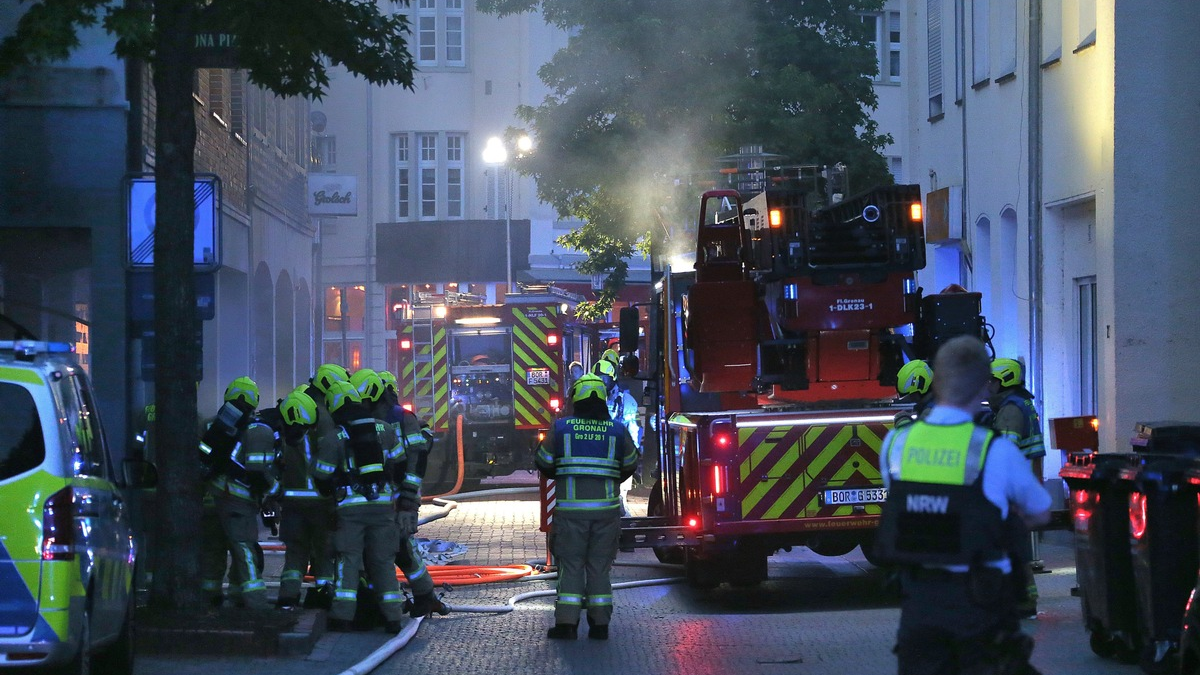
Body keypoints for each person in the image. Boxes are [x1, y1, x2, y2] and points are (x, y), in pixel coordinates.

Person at [874, 336, 1051, 675]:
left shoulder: (896, 443)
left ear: (935, 380)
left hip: (919, 607)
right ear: (985, 386)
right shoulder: (993, 450)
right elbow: (1040, 511)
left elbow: (906, 500)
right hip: (982, 608)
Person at [535, 374, 640, 641]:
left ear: (575, 399)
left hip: (571, 514)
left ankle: (567, 626)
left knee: (570, 566)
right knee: (599, 567)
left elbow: (543, 461)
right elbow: (630, 463)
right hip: (606, 513)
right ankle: (600, 626)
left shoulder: (561, 429)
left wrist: (562, 471)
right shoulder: (616, 430)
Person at [312, 379, 408, 633]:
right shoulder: (385, 429)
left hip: (350, 511)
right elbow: (401, 463)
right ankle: (393, 617)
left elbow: (321, 475)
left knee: (348, 560)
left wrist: (333, 489)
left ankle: (342, 616)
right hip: (383, 507)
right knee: (384, 561)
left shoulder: (333, 437)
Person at [198, 376, 280, 609]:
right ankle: (253, 601)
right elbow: (257, 473)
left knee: (213, 550)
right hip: (237, 502)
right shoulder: (255, 430)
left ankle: (210, 598)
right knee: (244, 550)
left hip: (211, 498)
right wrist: (275, 490)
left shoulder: (211, 425)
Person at [375, 370, 450, 618]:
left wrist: (407, 495)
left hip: (394, 497)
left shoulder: (394, 418)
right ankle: (423, 595)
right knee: (402, 547)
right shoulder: (402, 417)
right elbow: (420, 448)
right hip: (397, 496)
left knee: (397, 549)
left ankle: (416, 597)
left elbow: (416, 456)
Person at [988, 357, 1047, 619]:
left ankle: (1019, 602)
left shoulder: (1010, 410)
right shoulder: (1023, 404)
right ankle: (1023, 601)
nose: (987, 386)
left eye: (991, 381)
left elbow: (1004, 453)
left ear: (1004, 382)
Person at [274, 389, 337, 610]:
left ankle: (287, 598)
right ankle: (324, 595)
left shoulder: (281, 438)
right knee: (323, 553)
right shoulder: (319, 435)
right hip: (321, 506)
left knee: (295, 554)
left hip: (292, 507)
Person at [893, 359, 934, 429]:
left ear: (921, 385)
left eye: (912, 395)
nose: (911, 399)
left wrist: (903, 423)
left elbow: (921, 437)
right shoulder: (940, 401)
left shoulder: (931, 412)